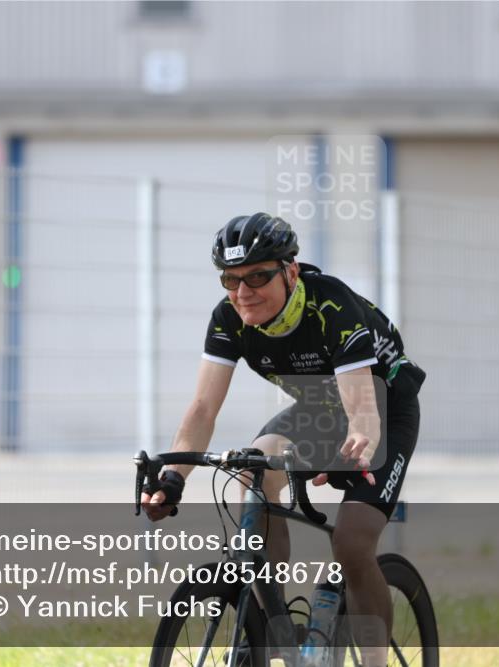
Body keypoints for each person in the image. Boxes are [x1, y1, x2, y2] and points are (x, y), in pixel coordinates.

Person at [141, 212, 425, 667]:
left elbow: (362, 408)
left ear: (290, 271)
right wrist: (174, 478)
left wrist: (359, 443)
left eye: (257, 276)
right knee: (253, 466)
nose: (243, 292)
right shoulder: (229, 318)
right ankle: (274, 625)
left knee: (352, 544)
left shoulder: (331, 306)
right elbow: (203, 408)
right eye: (230, 279)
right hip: (319, 408)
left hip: (383, 412)